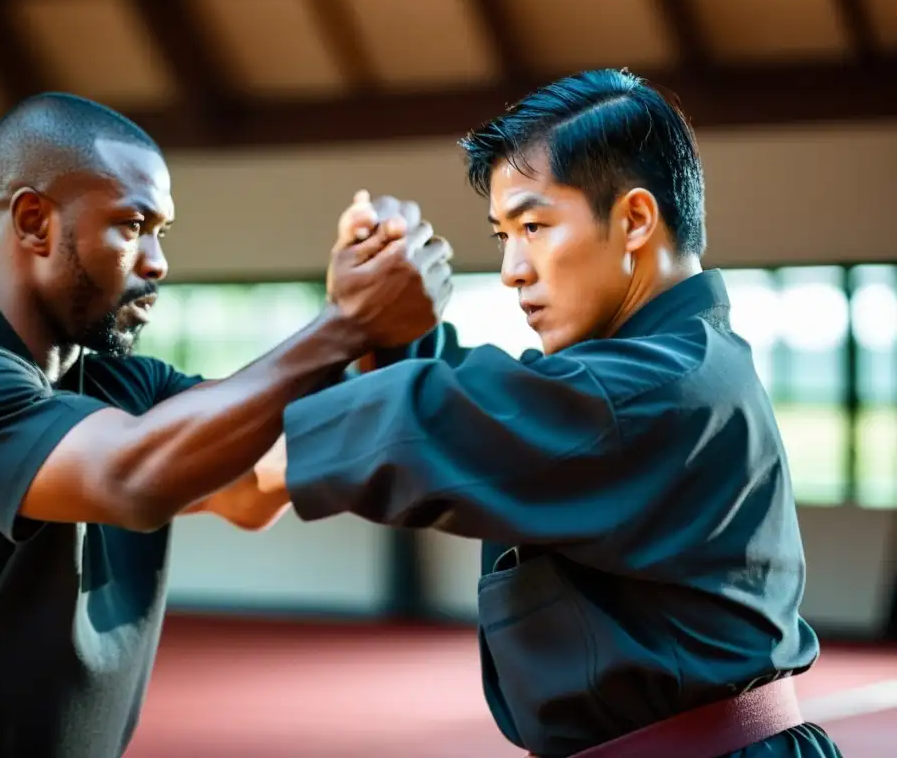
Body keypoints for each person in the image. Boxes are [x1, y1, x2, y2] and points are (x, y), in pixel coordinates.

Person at [252, 70, 844, 757]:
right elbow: (497, 406)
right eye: (503, 234)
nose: (511, 269)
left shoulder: (650, 387)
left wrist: (196, 457)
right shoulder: (674, 366)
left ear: (635, 220)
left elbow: (448, 413)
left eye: (534, 227)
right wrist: (391, 325)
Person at [0, 92, 452, 758]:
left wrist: (379, 332)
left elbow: (256, 484)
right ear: (34, 220)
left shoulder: (127, 386)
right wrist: (343, 323)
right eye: (133, 224)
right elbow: (130, 479)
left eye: (161, 232)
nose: (158, 261)